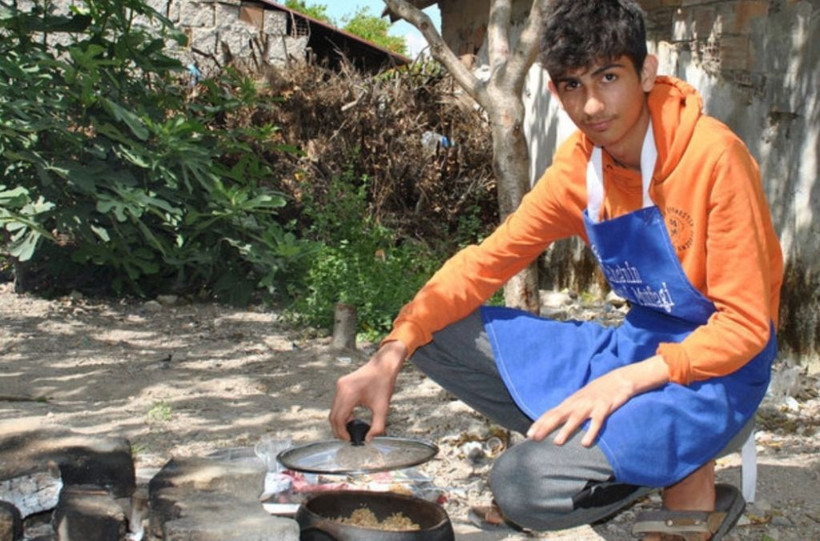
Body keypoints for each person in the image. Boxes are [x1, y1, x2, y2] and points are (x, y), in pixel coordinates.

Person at [329, 0, 783, 538]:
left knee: (523, 486)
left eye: (608, 77)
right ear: (553, 90)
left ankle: (668, 474)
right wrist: (389, 353)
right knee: (433, 331)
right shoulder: (579, 167)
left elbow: (746, 326)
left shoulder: (714, 157)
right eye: (572, 85)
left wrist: (624, 383)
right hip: (636, 347)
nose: (590, 105)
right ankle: (634, 461)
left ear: (646, 72)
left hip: (720, 369)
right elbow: (486, 261)